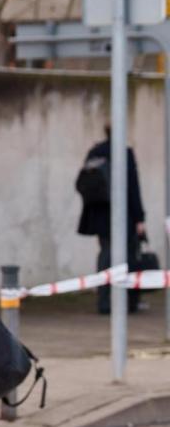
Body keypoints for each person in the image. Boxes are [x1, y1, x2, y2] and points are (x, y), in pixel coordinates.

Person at [76, 125, 147, 314]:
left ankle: (104, 301)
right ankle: (129, 302)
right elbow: (133, 186)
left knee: (105, 255)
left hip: (100, 214)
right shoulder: (124, 153)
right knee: (127, 256)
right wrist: (140, 217)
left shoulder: (95, 152)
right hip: (123, 214)